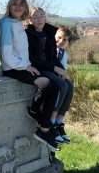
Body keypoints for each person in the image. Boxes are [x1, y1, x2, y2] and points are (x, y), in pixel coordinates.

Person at [0, 0, 60, 151]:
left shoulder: (18, 23)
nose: (18, 6)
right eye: (14, 4)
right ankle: (33, 111)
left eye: (21, 4)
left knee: (55, 85)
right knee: (45, 83)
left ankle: (44, 129)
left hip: (23, 65)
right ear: (9, 6)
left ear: (25, 8)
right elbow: (6, 54)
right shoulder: (6, 24)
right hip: (12, 68)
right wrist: (24, 66)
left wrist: (27, 65)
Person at [26, 9, 74, 144]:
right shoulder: (28, 34)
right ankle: (51, 122)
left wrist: (62, 70)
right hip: (38, 68)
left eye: (42, 16)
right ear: (30, 20)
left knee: (69, 85)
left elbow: (52, 56)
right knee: (62, 85)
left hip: (49, 66)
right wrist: (55, 68)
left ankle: (59, 122)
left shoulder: (48, 34)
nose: (39, 19)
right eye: (35, 17)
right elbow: (32, 58)